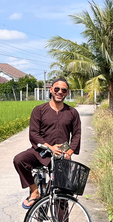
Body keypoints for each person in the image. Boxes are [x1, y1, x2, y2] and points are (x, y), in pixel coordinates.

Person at [12, 77, 81, 208]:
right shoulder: (39, 110)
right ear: (51, 90)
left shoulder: (72, 112)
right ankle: (34, 191)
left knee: (62, 192)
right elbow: (33, 133)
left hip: (61, 156)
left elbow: (77, 133)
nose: (59, 92)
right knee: (19, 160)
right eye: (57, 89)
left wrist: (70, 151)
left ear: (67, 93)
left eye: (63, 90)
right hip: (41, 152)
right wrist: (50, 147)